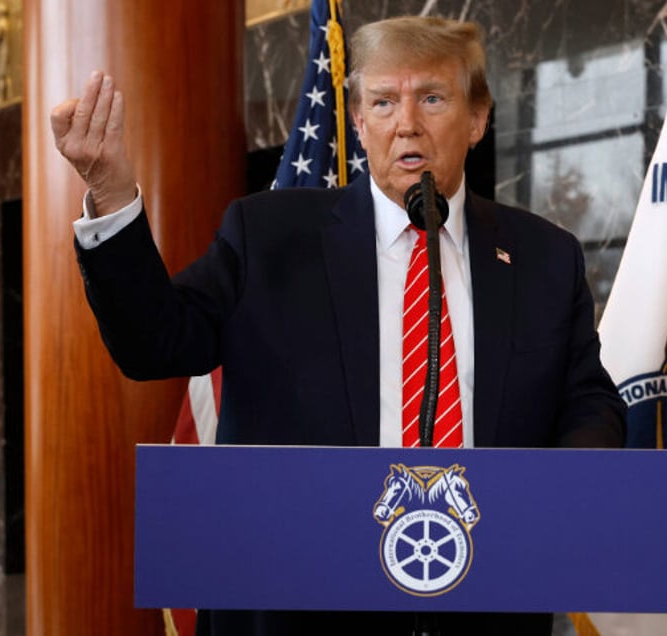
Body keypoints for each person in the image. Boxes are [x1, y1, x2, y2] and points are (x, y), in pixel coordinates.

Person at [51, 15, 626, 636]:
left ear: (478, 118)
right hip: (297, 605)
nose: (407, 123)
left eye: (432, 98)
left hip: (482, 600)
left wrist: (554, 496)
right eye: (383, 102)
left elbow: (586, 400)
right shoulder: (267, 235)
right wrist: (110, 194)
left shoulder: (544, 256)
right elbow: (153, 342)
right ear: (357, 121)